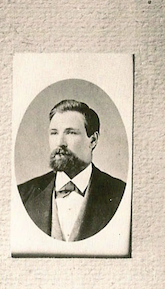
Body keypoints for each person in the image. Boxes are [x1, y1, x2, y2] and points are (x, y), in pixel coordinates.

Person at [17, 99, 126, 242]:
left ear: (93, 140)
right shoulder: (24, 194)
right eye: (54, 133)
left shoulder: (121, 194)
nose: (60, 142)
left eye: (71, 133)